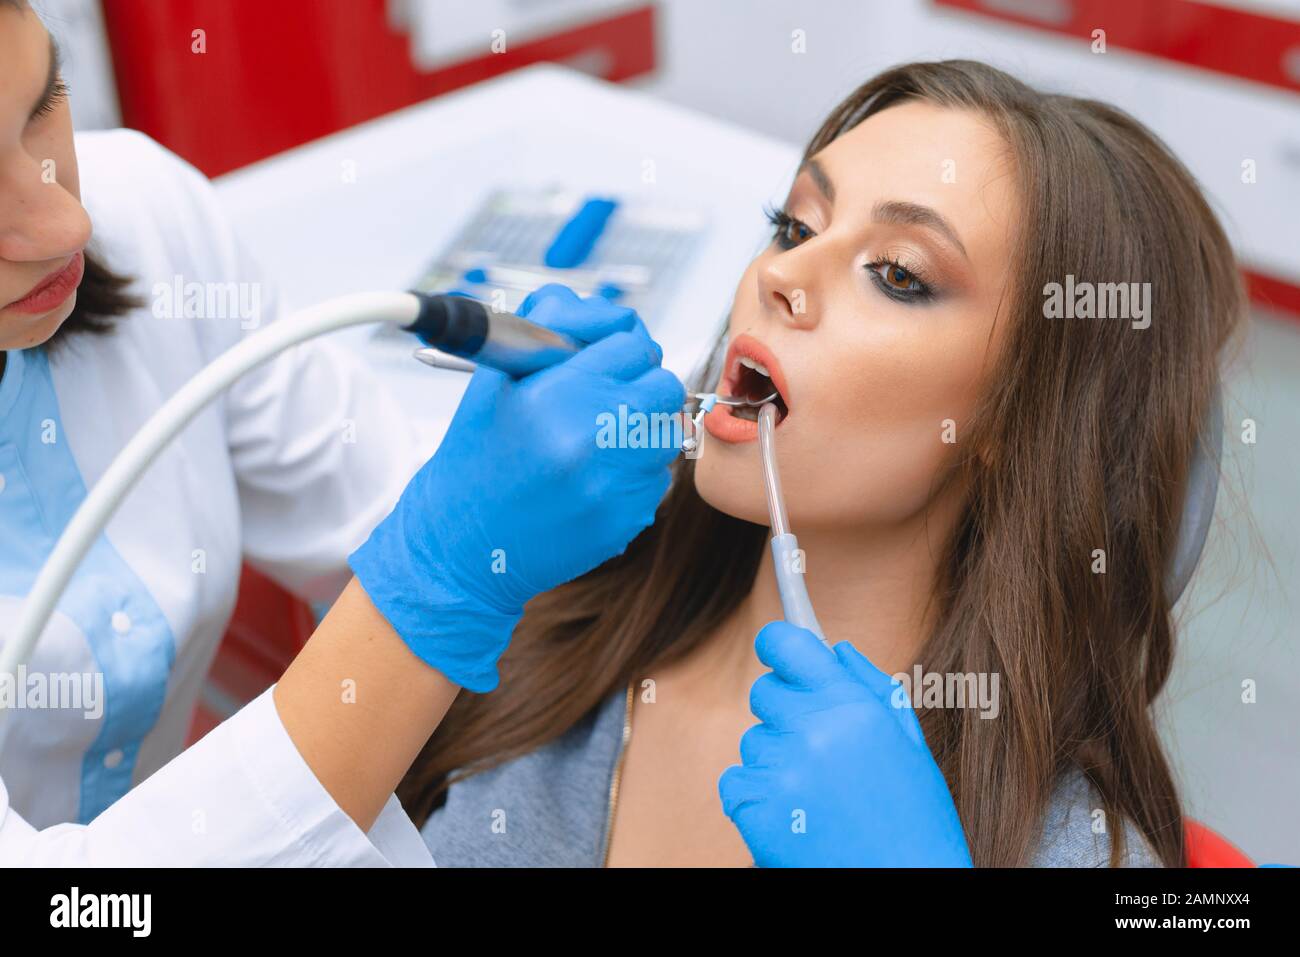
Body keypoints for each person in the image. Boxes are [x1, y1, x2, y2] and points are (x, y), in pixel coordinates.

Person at [404, 61, 1245, 868]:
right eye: (795, 225)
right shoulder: (540, 623)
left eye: (897, 274)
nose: (782, 273)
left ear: (1015, 422)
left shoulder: (1074, 852)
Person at [0, 0, 684, 863]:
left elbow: (373, 501)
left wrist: (518, 502)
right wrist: (441, 575)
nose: (67, 225)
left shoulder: (149, 217)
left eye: (42, 105)